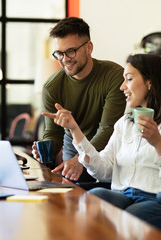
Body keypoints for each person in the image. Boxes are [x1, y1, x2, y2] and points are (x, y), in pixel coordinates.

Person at [42, 53, 161, 235]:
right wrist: (75, 130)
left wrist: (158, 143)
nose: (122, 86)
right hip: (123, 196)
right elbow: (103, 171)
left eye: (129, 79)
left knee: (125, 219)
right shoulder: (124, 123)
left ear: (150, 82)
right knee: (91, 200)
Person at [31, 17, 126, 182]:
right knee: (73, 192)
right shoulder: (51, 87)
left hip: (110, 145)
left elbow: (108, 129)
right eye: (59, 53)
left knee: (100, 191)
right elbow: (53, 134)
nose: (64, 59)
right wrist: (45, 149)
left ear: (89, 47)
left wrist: (82, 158)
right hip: (74, 143)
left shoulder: (114, 75)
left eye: (71, 51)